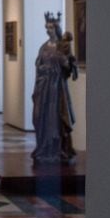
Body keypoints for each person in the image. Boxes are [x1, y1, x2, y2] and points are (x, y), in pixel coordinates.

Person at [31, 12, 79, 165]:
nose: (48, 30)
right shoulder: (44, 47)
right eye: (47, 27)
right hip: (44, 88)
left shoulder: (62, 46)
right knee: (40, 117)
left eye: (51, 27)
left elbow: (69, 67)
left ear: (56, 28)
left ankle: (58, 150)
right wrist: (43, 72)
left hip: (57, 90)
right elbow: (38, 66)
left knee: (56, 118)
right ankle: (44, 148)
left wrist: (65, 60)